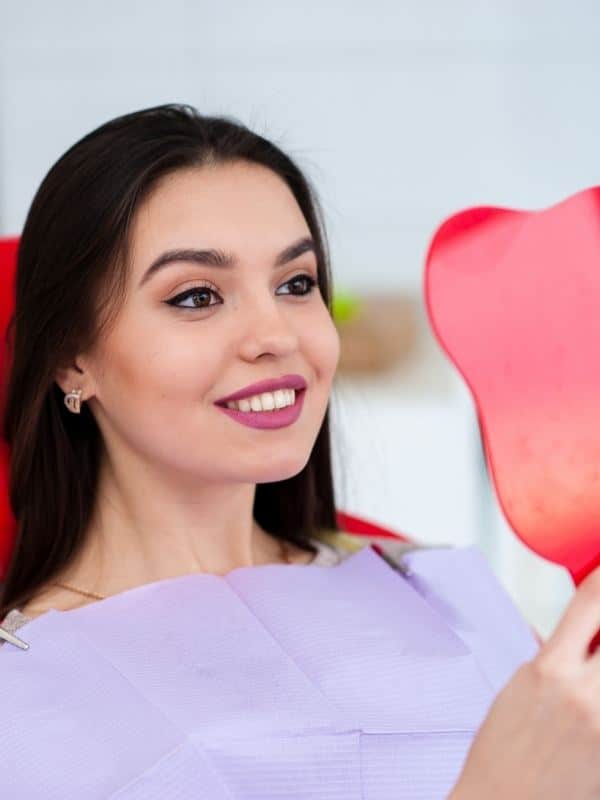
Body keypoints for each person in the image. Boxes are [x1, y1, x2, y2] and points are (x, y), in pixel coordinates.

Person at [0, 104, 598, 799]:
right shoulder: (27, 700)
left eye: (296, 284)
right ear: (73, 361)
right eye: (196, 296)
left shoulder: (444, 591)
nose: (275, 334)